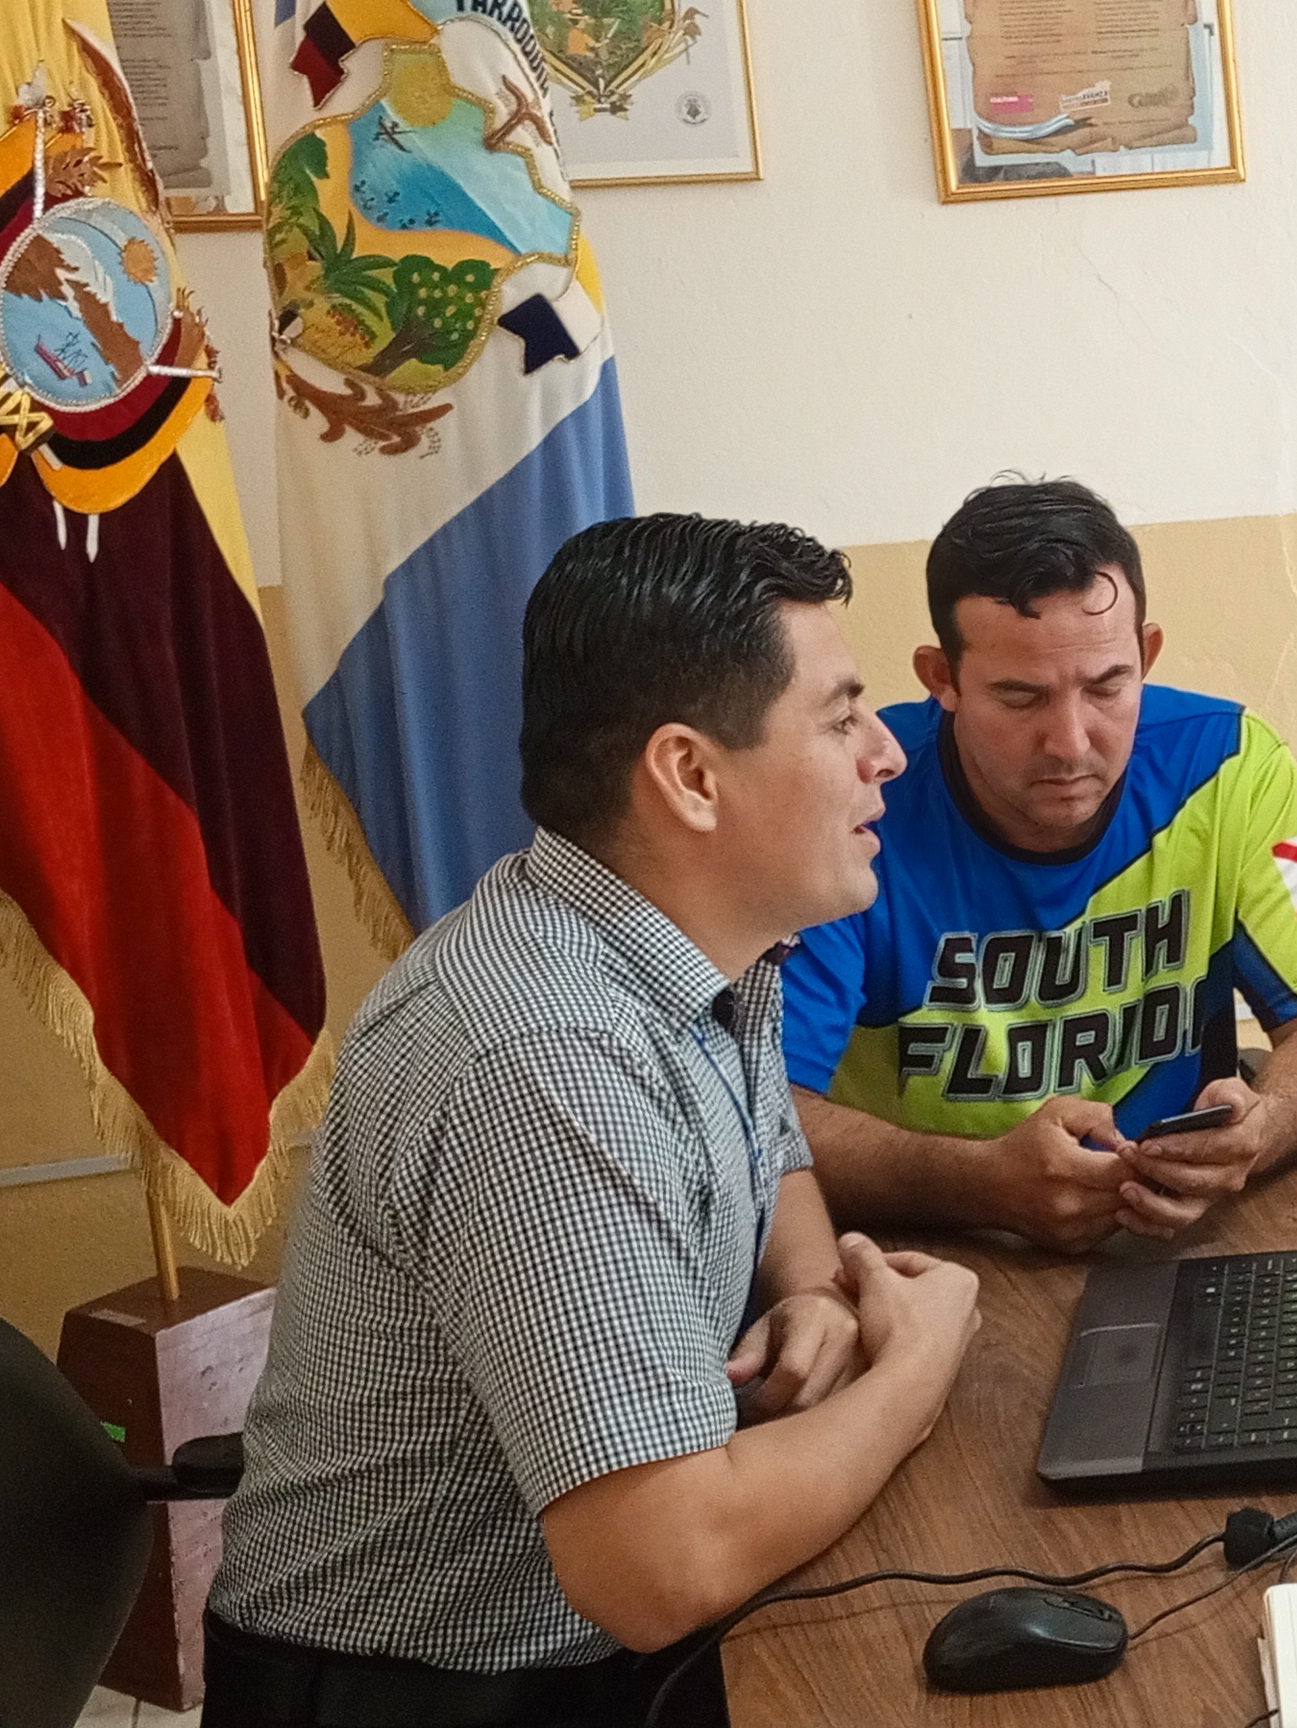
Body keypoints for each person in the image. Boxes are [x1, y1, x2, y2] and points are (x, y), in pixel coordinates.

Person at [208, 516, 979, 1726]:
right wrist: (917, 1365)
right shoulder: (543, 1061)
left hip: (581, 1653)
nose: (887, 752)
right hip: (435, 1700)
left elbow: (770, 1154)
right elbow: (661, 1567)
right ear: (690, 777)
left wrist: (815, 1291)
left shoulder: (697, 939)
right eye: (841, 719)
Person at [785, 478, 1297, 1252]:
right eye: (1020, 697)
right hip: (929, 1252)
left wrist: (1265, 1129)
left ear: (1147, 655)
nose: (1070, 743)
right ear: (942, 679)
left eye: (1108, 686)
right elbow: (771, 1117)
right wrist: (977, 1181)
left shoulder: (1231, 763)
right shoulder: (858, 794)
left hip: (1170, 1239)